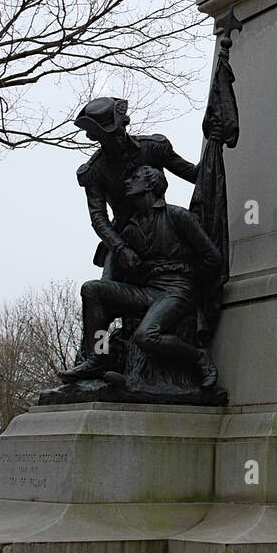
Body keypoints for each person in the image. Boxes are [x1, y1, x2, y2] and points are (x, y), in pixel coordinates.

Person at [59, 98, 198, 383]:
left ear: (122, 127)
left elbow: (193, 174)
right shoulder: (94, 170)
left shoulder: (152, 148)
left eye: (112, 131)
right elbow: (99, 218)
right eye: (100, 135)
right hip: (122, 240)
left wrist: (217, 152)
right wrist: (119, 248)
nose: (109, 139)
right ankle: (97, 358)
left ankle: (140, 358)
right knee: (99, 297)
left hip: (161, 235)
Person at [79, 166, 224, 396]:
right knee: (92, 290)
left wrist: (187, 278)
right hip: (146, 291)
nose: (128, 182)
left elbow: (212, 257)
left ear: (150, 185)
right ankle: (99, 356)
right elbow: (117, 272)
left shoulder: (178, 216)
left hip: (177, 289)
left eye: (134, 178)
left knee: (146, 336)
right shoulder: (130, 230)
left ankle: (199, 357)